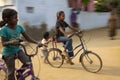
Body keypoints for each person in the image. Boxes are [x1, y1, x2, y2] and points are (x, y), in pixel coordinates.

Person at [0, 8, 41, 80]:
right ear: (7, 19)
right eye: (15, 18)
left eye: (17, 17)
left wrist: (37, 42)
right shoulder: (4, 29)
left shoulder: (19, 27)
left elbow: (27, 38)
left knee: (28, 62)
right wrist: (11, 42)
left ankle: (19, 73)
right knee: (11, 72)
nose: (17, 19)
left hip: (18, 50)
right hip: (8, 53)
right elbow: (3, 43)